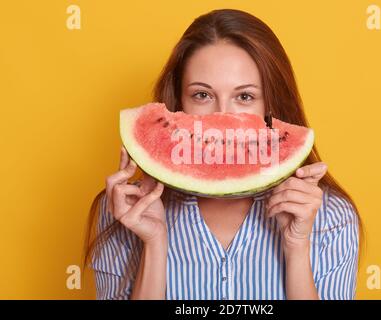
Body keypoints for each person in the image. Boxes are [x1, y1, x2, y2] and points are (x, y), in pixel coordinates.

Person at [84, 8, 362, 300]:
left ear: (271, 107)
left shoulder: (330, 217)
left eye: (245, 97)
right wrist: (154, 242)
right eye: (202, 95)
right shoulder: (128, 209)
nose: (223, 117)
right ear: (178, 103)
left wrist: (297, 246)